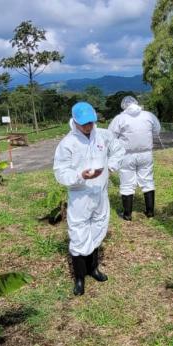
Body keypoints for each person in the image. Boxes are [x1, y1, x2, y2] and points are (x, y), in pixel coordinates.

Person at [54, 102, 125, 296]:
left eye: (91, 122)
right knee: (78, 233)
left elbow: (119, 149)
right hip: (80, 195)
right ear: (75, 121)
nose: (88, 126)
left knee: (98, 227)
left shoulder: (102, 135)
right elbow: (60, 172)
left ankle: (93, 268)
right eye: (84, 123)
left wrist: (111, 166)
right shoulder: (67, 143)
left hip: (100, 193)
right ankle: (79, 276)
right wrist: (80, 176)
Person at [108, 95, 162, 220]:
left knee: (127, 182)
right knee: (147, 180)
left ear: (124, 106)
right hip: (146, 153)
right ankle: (150, 212)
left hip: (126, 154)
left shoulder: (120, 118)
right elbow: (157, 130)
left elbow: (110, 136)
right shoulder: (148, 115)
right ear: (136, 103)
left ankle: (127, 214)